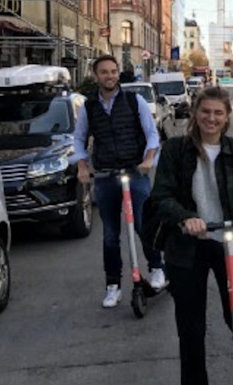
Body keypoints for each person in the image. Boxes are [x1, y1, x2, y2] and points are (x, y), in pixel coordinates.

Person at [148, 87, 233, 385]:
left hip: (231, 244)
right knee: (190, 325)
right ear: (195, 113)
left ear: (227, 117)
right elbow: (161, 196)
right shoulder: (175, 150)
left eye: (218, 113)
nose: (211, 118)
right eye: (205, 111)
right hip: (187, 247)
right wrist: (185, 217)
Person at [74, 54, 165, 308]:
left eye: (113, 71)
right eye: (104, 72)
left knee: (143, 225)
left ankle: (157, 268)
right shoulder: (89, 107)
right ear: (96, 76)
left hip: (135, 172)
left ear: (118, 74)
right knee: (110, 235)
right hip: (105, 175)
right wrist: (82, 165)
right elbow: (79, 139)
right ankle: (113, 285)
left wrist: (148, 159)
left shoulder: (134, 101)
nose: (110, 76)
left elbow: (152, 135)